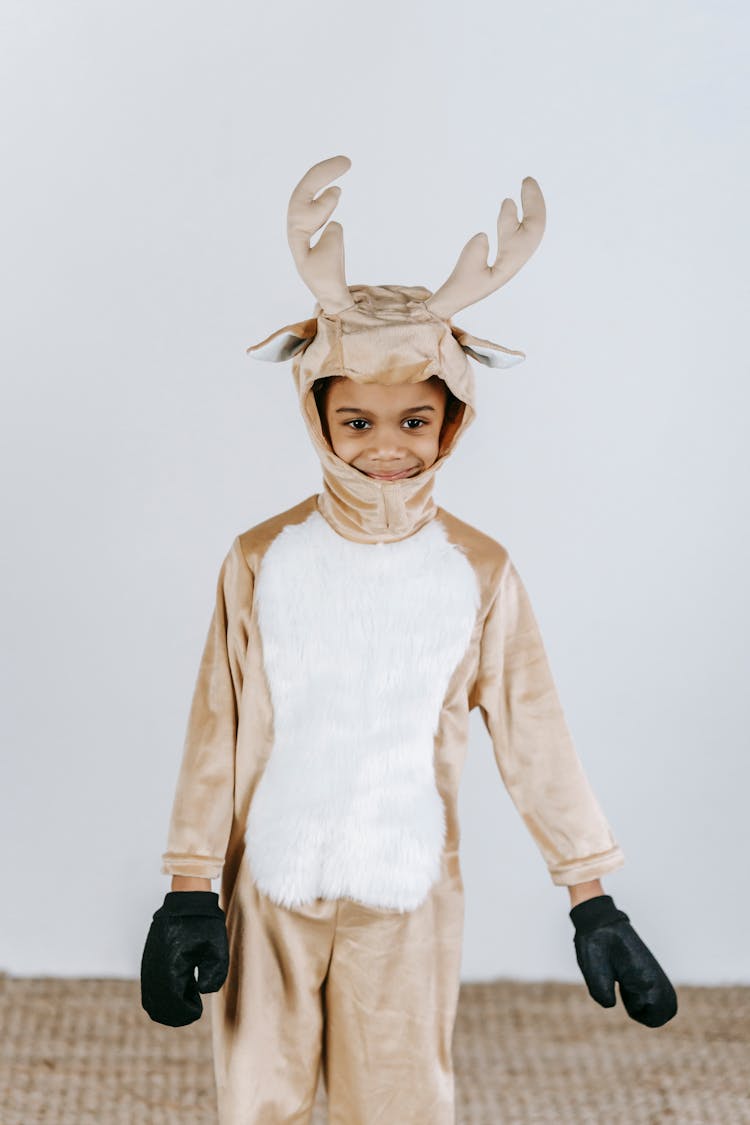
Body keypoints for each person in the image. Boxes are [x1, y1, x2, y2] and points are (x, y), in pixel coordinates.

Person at [140, 156, 677, 1125]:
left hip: (409, 902)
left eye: (415, 420)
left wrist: (590, 897)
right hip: (269, 897)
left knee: (397, 1103)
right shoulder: (263, 560)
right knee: (259, 1096)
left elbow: (533, 734)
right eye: (357, 420)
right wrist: (188, 887)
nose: (386, 447)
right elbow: (214, 729)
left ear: (452, 421)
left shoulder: (477, 571)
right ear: (318, 415)